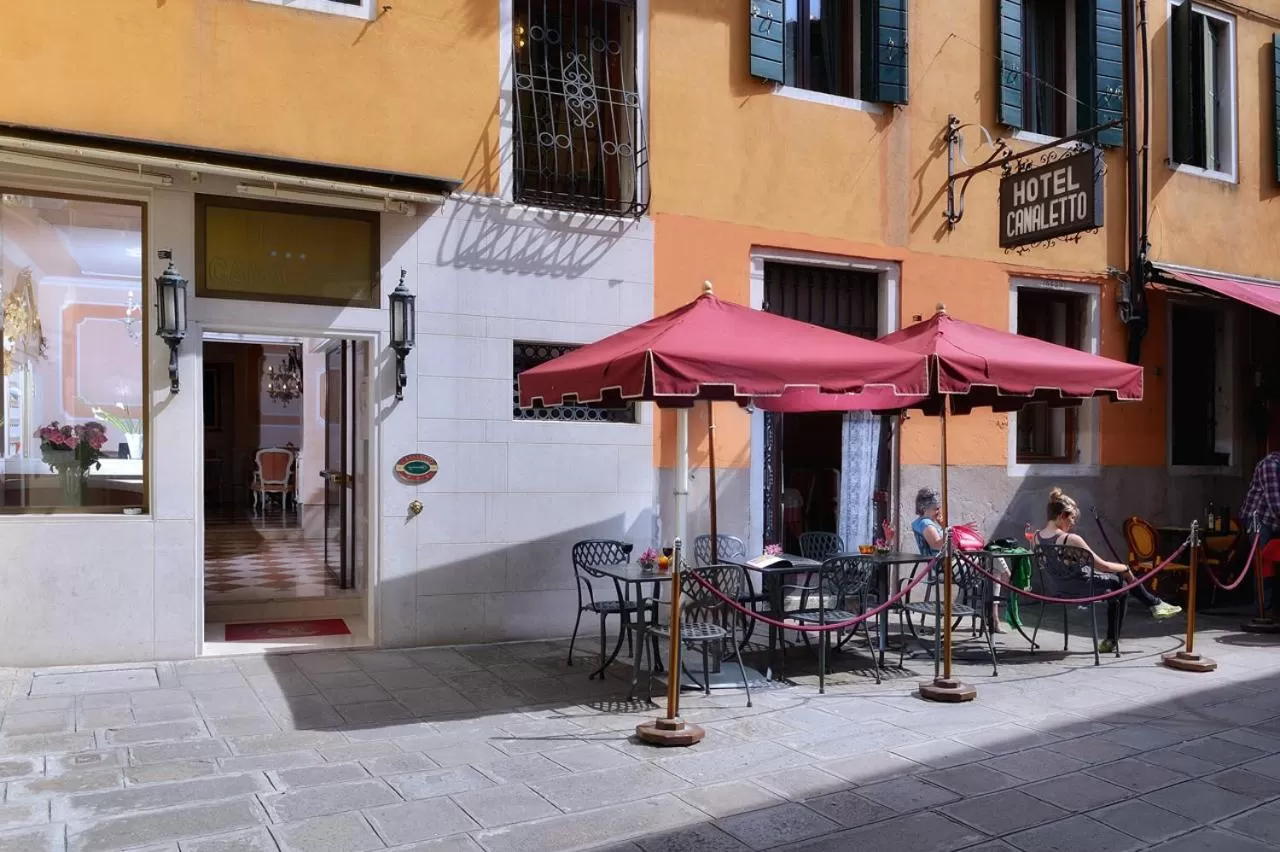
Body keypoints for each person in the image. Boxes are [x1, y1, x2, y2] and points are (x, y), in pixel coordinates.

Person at [1036, 487, 1181, 654]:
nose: (1073, 523)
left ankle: (1154, 605)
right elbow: (1102, 566)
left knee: (1117, 585)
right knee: (1122, 585)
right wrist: (1125, 568)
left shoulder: (1037, 538)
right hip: (1083, 587)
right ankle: (1118, 634)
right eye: (1072, 518)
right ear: (1062, 516)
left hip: (1060, 588)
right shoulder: (1071, 539)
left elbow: (1055, 565)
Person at [911, 487, 1008, 632]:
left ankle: (994, 616)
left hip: (951, 564)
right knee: (992, 556)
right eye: (936, 508)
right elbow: (937, 545)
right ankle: (1005, 585)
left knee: (993, 567)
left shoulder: (927, 523)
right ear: (925, 508)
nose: (939, 511)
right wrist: (951, 531)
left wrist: (950, 529)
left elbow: (944, 542)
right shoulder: (925, 523)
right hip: (945, 566)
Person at [1242, 451, 1280, 610]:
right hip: (1260, 521)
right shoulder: (1270, 465)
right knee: (1263, 564)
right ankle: (1263, 609)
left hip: (1275, 523)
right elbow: (1276, 504)